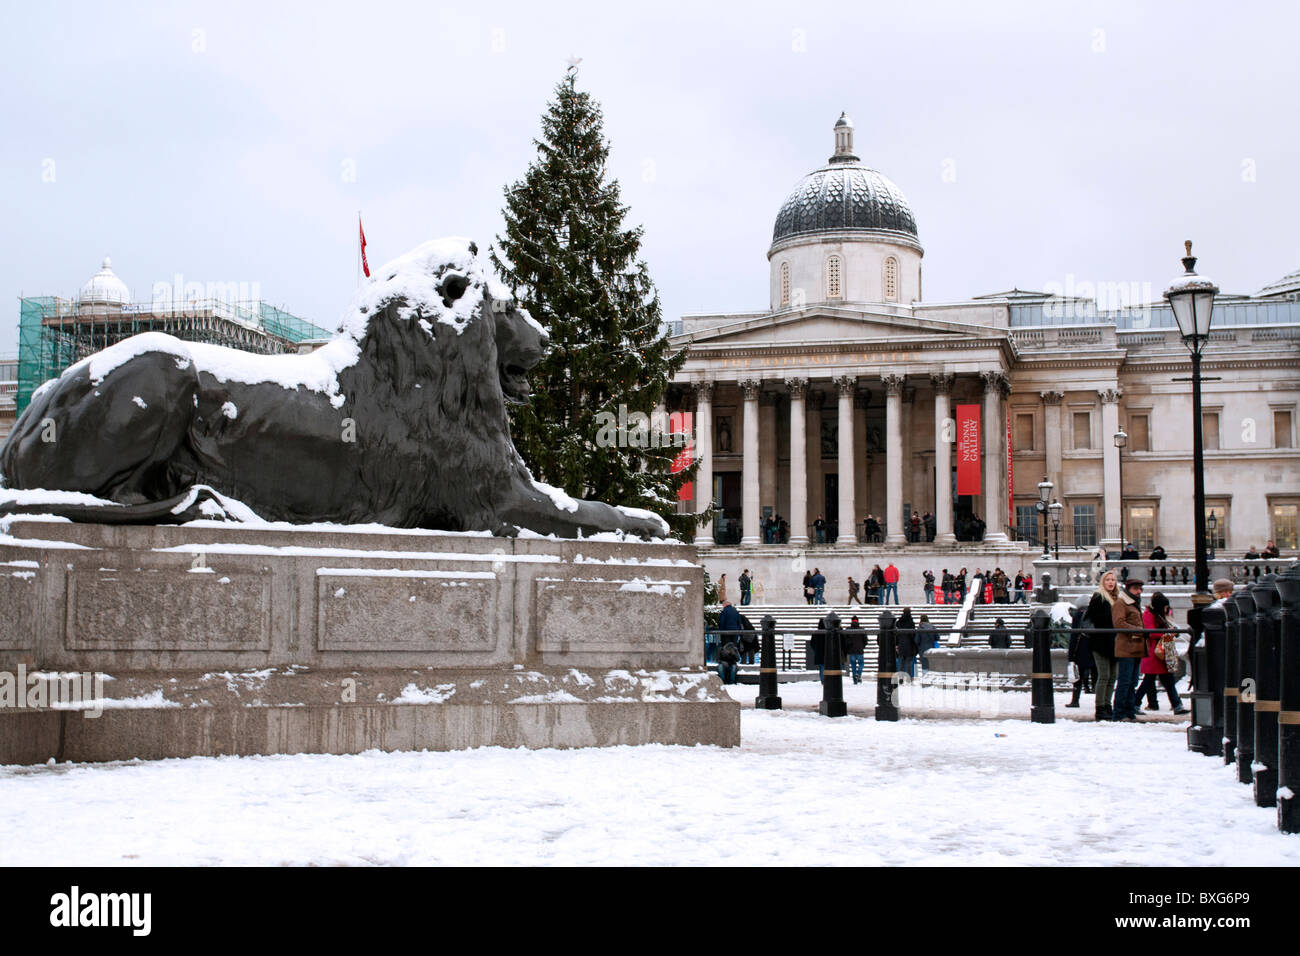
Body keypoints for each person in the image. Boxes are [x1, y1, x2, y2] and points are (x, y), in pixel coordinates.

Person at [1134, 591, 1188, 714]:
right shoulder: (1149, 615)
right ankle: (1135, 703)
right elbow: (1151, 632)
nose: (1166, 609)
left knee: (1166, 680)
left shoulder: (1156, 615)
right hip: (1155, 652)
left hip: (1160, 652)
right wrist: (1168, 633)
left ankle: (1176, 705)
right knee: (1150, 680)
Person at [1086, 570, 1121, 722]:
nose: (1111, 582)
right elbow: (1096, 618)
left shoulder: (1117, 598)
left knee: (1113, 676)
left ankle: (1107, 705)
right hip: (1100, 642)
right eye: (1108, 580)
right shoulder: (1098, 597)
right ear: (1103, 582)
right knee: (1104, 675)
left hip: (1113, 642)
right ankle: (1100, 707)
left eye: (1113, 580)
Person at [1111, 577, 1147, 722]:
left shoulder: (1134, 603)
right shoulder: (1121, 603)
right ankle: (1119, 713)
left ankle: (1129, 711)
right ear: (1128, 589)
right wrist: (1138, 630)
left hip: (1136, 647)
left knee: (1133, 681)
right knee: (1125, 681)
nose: (1139, 591)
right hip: (1126, 647)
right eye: (1136, 589)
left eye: (1140, 589)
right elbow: (1119, 623)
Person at [1065, 602, 1095, 708]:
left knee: (1078, 676)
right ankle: (1101, 703)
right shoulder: (1093, 613)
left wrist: (1071, 655)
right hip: (1094, 648)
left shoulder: (1078, 615)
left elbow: (1074, 635)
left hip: (1080, 649)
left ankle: (1075, 700)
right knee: (1097, 676)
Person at [843, 615, 867, 684]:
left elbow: (845, 640)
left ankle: (855, 681)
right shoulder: (861, 629)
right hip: (859, 650)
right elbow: (865, 640)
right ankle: (858, 673)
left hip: (851, 650)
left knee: (853, 666)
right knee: (861, 664)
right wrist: (862, 646)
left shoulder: (848, 629)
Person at [896, 607, 918, 678]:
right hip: (909, 645)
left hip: (901, 644)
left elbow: (897, 633)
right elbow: (912, 635)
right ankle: (908, 677)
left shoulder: (900, 621)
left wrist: (897, 643)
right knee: (909, 662)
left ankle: (901, 677)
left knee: (901, 662)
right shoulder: (911, 622)